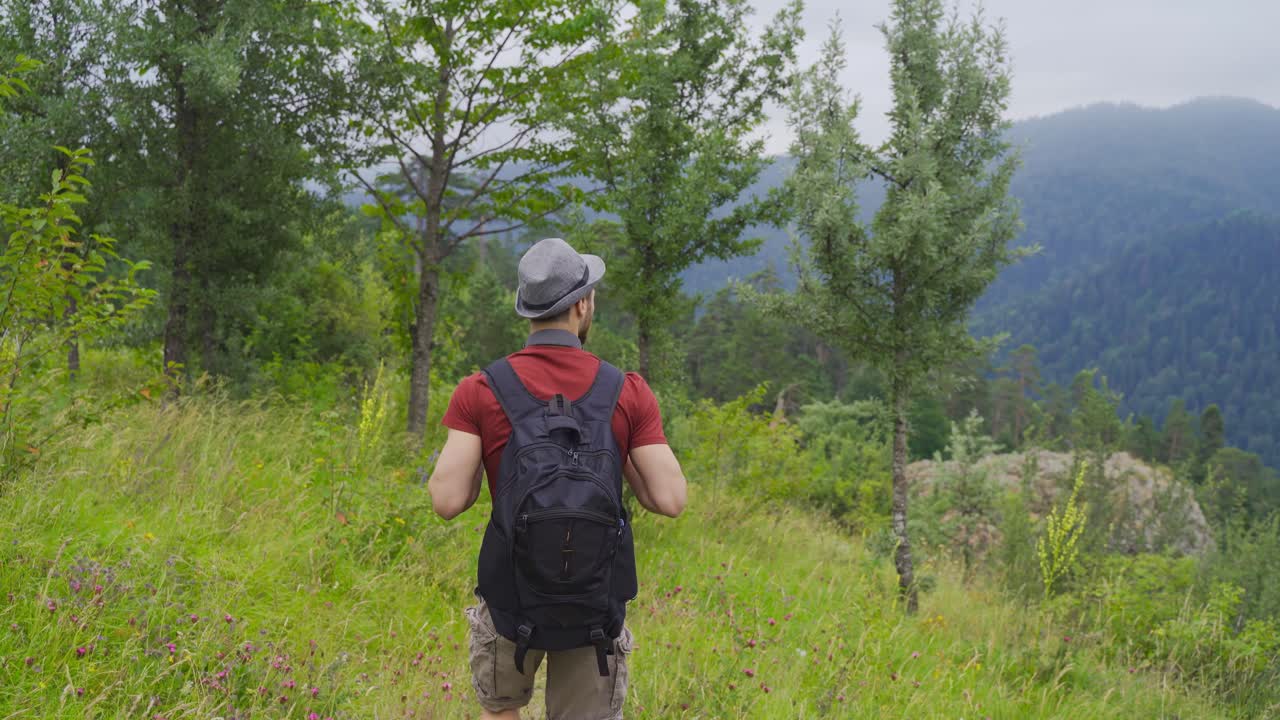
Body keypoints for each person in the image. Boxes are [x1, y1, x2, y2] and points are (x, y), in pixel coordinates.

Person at [429, 237, 688, 720]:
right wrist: (616, 444)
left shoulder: (480, 389)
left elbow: (446, 500)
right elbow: (670, 498)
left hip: (510, 600)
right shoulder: (625, 390)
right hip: (593, 606)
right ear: (583, 305)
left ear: (527, 310)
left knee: (502, 710)